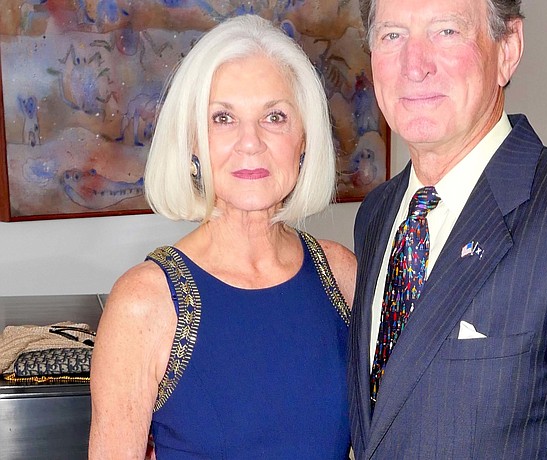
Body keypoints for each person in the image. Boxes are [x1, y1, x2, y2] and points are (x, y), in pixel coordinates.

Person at [347, 0, 547, 458]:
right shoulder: (377, 215)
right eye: (392, 35)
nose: (414, 66)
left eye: (446, 31)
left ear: (508, 48)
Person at [89, 14, 355, 459]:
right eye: (223, 118)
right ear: (193, 141)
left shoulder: (342, 275)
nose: (250, 142)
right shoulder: (144, 303)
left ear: (305, 138)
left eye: (274, 116)